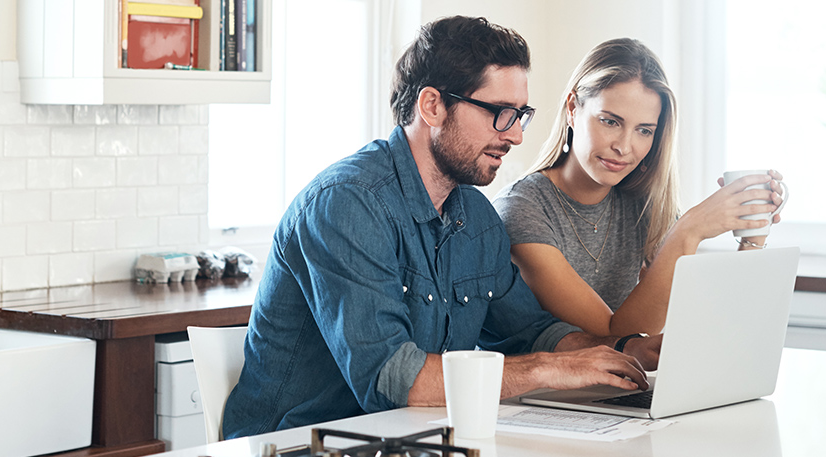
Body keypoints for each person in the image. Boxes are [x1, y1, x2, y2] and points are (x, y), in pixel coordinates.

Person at [221, 17, 662, 439]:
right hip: (297, 443)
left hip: (410, 438)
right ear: (432, 105)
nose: (515, 136)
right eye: (499, 113)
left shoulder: (476, 217)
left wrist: (624, 348)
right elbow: (394, 379)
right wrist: (548, 369)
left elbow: (530, 331)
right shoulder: (346, 204)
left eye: (520, 114)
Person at [492, 38, 786, 338]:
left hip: (621, 383)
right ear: (572, 108)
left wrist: (753, 233)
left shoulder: (642, 205)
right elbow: (616, 337)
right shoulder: (522, 209)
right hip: (546, 384)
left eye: (644, 130)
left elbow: (701, 323)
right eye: (610, 121)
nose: (624, 147)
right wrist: (688, 231)